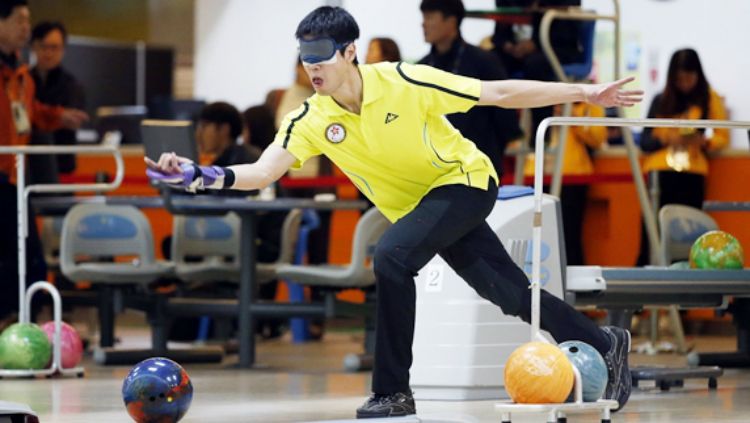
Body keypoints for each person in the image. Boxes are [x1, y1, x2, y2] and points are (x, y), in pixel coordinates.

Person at [145, 6, 641, 418]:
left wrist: (584, 94)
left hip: (463, 182)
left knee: (392, 256)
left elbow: (499, 93)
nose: (313, 68)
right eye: (305, 58)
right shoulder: (312, 118)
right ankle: (603, 340)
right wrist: (199, 176)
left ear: (350, 52)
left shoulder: (404, 81)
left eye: (322, 57)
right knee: (510, 295)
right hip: (422, 207)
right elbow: (263, 171)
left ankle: (392, 392)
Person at [0, 0, 87, 328]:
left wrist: (59, 117)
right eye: (19, 20)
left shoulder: (21, 74)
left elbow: (30, 112)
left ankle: (22, 324)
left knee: (28, 258)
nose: (26, 28)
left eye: (28, 21)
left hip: (14, 178)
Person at [636, 48, 728, 266]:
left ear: (698, 75)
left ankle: (685, 277)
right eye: (679, 79)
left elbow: (722, 135)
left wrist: (704, 142)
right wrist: (668, 139)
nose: (685, 83)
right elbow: (645, 141)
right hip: (660, 173)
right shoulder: (661, 100)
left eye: (689, 77)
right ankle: (650, 278)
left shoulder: (709, 99)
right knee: (653, 231)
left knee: (689, 231)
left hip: (692, 174)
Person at [419, 0, 522, 177]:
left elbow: (504, 113)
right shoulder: (421, 67)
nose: (423, 24)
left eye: (429, 17)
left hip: (479, 162)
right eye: (423, 17)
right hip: (433, 166)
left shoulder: (483, 61)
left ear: (451, 21)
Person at [524, 102, 607, 265]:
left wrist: (571, 116)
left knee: (569, 233)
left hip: (573, 176)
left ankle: (572, 275)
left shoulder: (588, 105)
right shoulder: (536, 100)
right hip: (536, 173)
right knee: (536, 232)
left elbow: (598, 139)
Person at [491, 0, 583, 142]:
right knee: (490, 61)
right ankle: (503, 128)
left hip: (555, 47)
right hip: (515, 50)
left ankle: (540, 135)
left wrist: (535, 43)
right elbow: (501, 23)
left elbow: (567, 19)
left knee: (536, 64)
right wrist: (507, 45)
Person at [29, 20, 85, 184]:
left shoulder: (71, 85)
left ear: (63, 50)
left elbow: (73, 120)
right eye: (43, 46)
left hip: (62, 166)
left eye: (54, 48)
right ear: (33, 46)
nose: (48, 53)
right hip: (28, 165)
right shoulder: (22, 80)